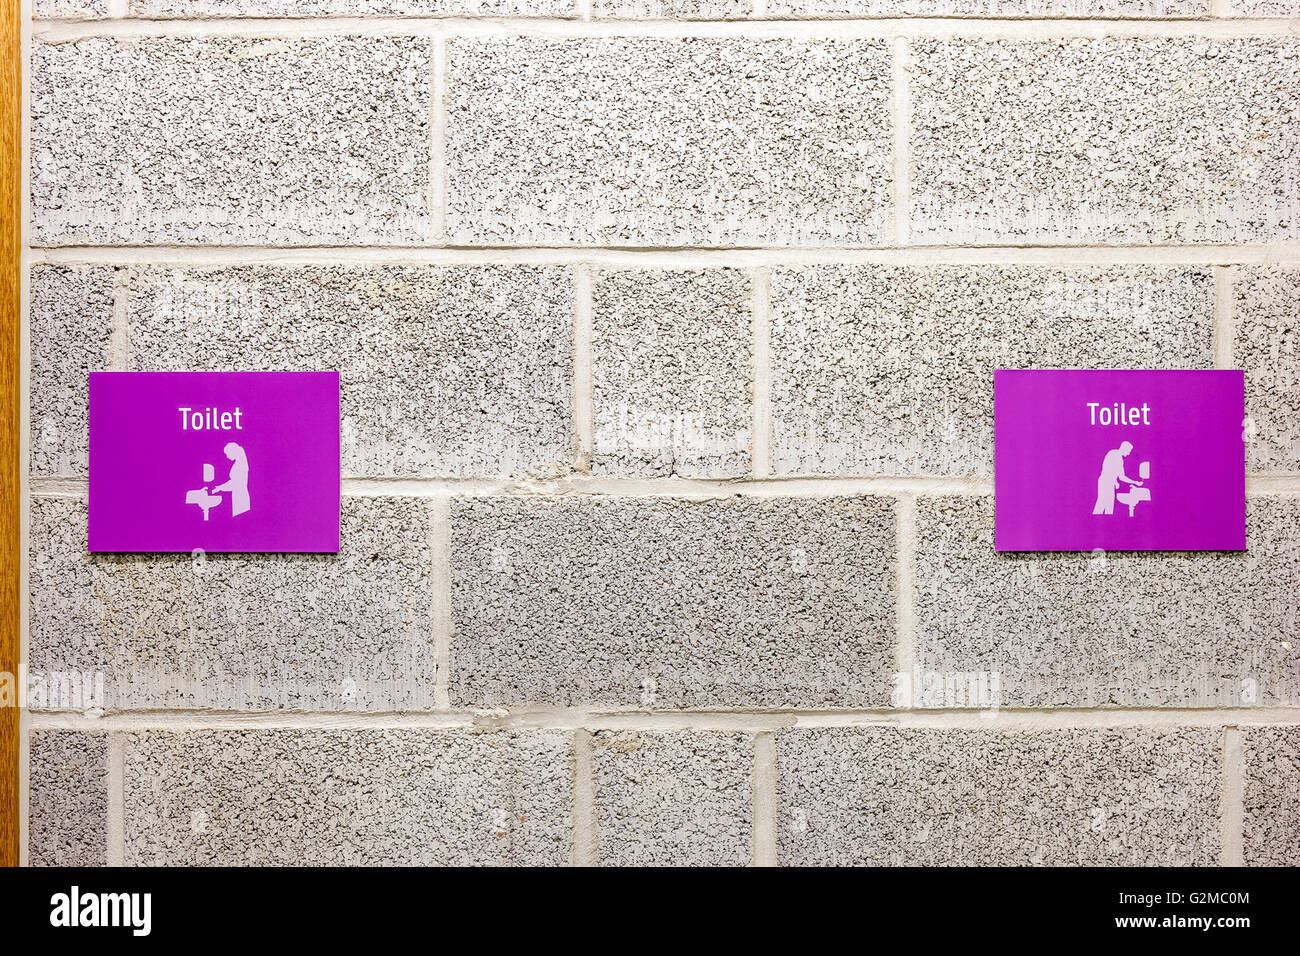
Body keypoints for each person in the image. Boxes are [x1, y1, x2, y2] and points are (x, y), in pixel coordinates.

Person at [1092, 440, 1141, 515]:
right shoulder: (1116, 456)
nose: (1128, 454)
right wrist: (1135, 482)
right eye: (1129, 451)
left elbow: (1113, 471)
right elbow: (1120, 476)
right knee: (1104, 504)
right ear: (1124, 448)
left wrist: (1115, 482)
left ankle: (1101, 522)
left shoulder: (1114, 454)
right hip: (1106, 482)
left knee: (1105, 504)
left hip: (1107, 482)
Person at [212, 442, 251, 517]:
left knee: (241, 519)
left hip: (240, 496)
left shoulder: (239, 465)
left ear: (233, 452)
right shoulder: (239, 463)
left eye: (227, 453)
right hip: (238, 495)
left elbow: (235, 484)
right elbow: (234, 482)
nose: (227, 456)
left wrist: (220, 488)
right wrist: (220, 487)